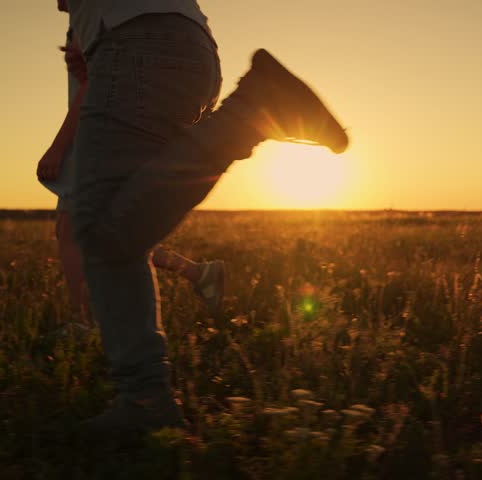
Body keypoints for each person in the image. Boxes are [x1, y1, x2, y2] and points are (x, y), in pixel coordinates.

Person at [64, 1, 348, 434]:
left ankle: (251, 112)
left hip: (134, 46)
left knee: (100, 228)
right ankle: (145, 397)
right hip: (176, 46)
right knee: (116, 227)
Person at [37, 0, 225, 325]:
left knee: (77, 227)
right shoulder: (94, 24)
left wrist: (57, 147)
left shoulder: (105, 24)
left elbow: (88, 89)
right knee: (112, 224)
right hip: (192, 52)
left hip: (103, 117)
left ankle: (85, 323)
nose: (57, 4)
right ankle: (196, 275)